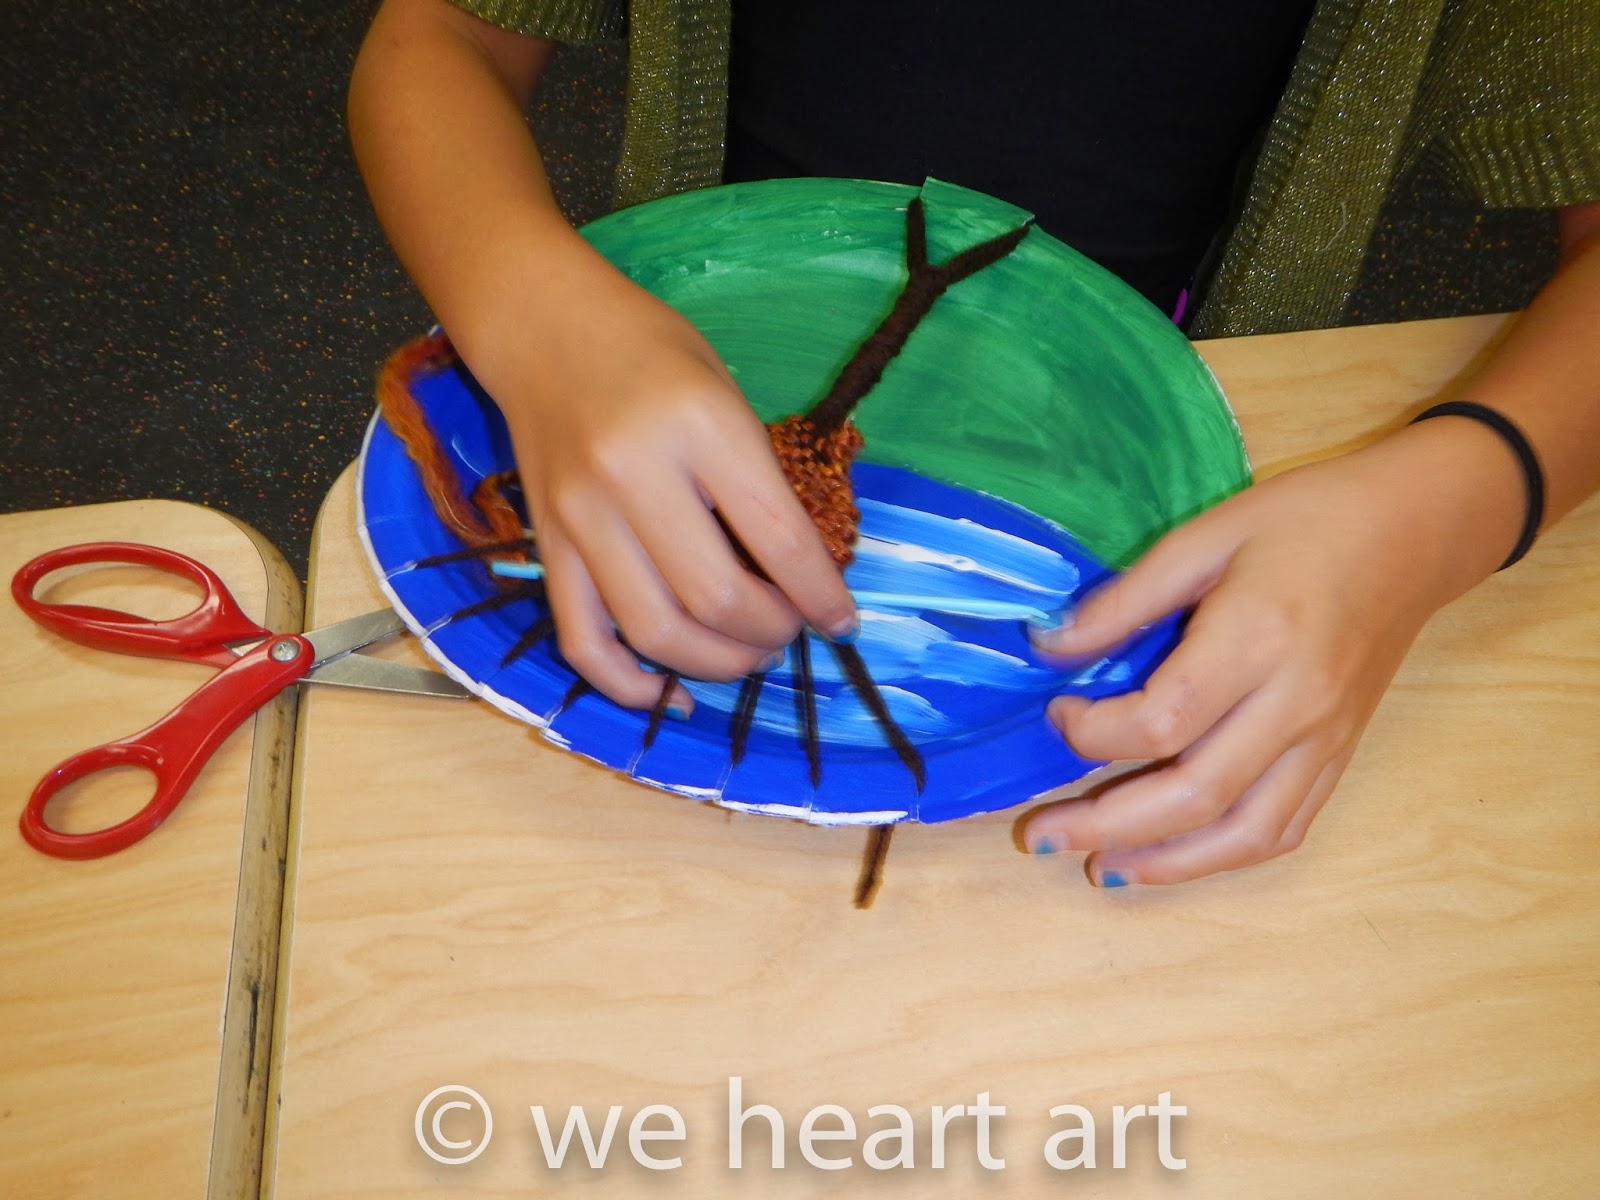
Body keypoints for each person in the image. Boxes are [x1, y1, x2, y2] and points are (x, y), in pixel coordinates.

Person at [347, 0, 1600, 885]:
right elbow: (434, 37)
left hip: (1153, 414)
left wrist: (1456, 497)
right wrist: (536, 316)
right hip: (653, 369)